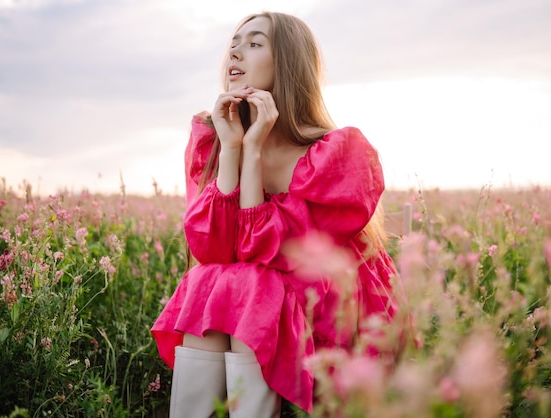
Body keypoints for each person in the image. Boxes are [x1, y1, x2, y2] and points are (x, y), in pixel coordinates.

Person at [151, 11, 396, 418]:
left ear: (287, 61)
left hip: (327, 300)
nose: (235, 50)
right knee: (211, 279)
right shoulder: (215, 138)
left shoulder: (334, 154)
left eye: (254, 42)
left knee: (250, 284)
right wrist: (234, 148)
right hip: (257, 294)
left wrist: (257, 150)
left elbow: (271, 251)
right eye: (234, 41)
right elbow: (214, 250)